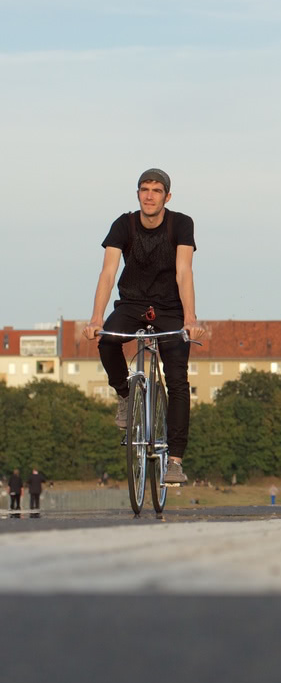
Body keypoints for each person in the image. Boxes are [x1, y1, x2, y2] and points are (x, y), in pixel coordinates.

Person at [83, 168, 204, 485]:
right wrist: (96, 317)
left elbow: (184, 272)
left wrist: (190, 317)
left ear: (167, 196)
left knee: (177, 379)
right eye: (144, 189)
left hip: (170, 307)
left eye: (157, 190)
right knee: (107, 341)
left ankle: (174, 461)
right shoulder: (124, 225)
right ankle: (124, 394)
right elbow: (108, 273)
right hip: (132, 303)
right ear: (138, 194)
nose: (150, 195)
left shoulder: (181, 224)